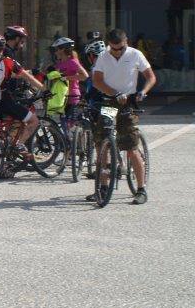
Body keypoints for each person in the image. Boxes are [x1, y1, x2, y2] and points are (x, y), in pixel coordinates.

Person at [89, 28, 156, 205]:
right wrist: (114, 93)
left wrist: (143, 91)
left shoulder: (135, 54)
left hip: (128, 103)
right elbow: (97, 80)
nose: (117, 52)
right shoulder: (104, 56)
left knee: (131, 146)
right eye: (114, 48)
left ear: (126, 41)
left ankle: (141, 189)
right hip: (109, 102)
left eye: (120, 48)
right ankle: (103, 186)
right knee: (102, 142)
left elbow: (150, 77)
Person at [0, 34, 44, 160]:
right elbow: (26, 76)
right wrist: (43, 89)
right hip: (5, 101)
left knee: (3, 129)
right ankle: (19, 145)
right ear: (3, 48)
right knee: (33, 120)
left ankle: (0, 164)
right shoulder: (8, 61)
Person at [51, 37, 88, 111]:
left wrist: (66, 78)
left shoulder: (72, 62)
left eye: (56, 50)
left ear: (63, 49)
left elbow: (85, 76)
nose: (55, 52)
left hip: (72, 96)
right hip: (61, 96)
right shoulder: (59, 63)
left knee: (69, 122)